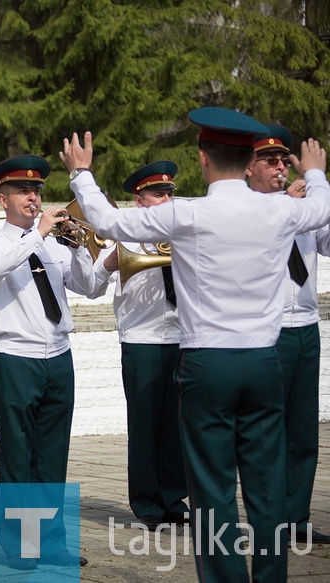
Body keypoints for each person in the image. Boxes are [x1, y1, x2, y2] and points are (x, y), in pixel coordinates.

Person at [62, 107, 330, 582]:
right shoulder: (280, 208)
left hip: (206, 362)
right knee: (267, 486)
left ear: (203, 158)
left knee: (212, 488)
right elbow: (321, 207)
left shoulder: (187, 212)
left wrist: (81, 173)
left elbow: (106, 220)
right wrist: (315, 172)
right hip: (264, 358)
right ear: (250, 160)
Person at [0, 155, 94, 569]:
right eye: (24, 191)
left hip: (58, 356)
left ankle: (52, 541)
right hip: (15, 358)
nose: (34, 197)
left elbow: (89, 287)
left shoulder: (53, 243)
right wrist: (36, 234)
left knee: (52, 455)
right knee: (19, 454)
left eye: (38, 190)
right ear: (2, 199)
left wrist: (83, 250)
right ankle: (22, 544)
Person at [87, 161, 188, 530]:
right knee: (144, 424)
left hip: (181, 336)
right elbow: (93, 285)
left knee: (175, 425)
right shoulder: (122, 232)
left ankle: (174, 499)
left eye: (169, 193)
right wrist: (112, 262)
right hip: (141, 338)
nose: (166, 199)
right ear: (139, 198)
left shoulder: (182, 230)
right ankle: (145, 502)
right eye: (158, 194)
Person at [246, 123, 330, 545]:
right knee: (266, 432)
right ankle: (269, 518)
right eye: (269, 161)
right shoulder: (243, 208)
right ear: (248, 168)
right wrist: (290, 200)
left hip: (305, 327)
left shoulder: (305, 206)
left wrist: (320, 185)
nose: (279, 168)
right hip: (268, 330)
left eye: (284, 160)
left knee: (302, 430)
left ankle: (297, 517)